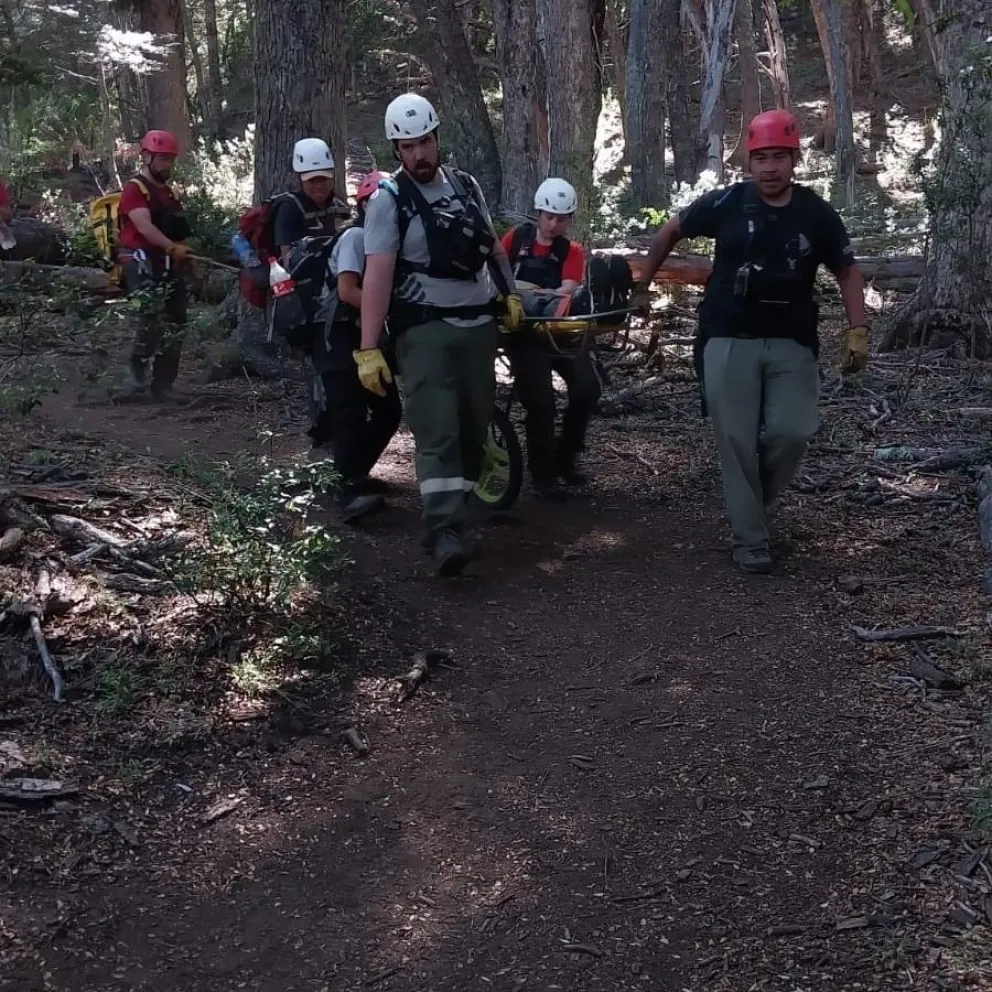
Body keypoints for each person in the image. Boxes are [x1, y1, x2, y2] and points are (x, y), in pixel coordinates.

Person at [633, 109, 869, 574]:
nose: (769, 167)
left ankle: (751, 501)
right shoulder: (727, 204)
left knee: (793, 430)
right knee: (736, 438)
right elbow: (671, 229)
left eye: (779, 156)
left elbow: (846, 270)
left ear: (795, 159)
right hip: (727, 336)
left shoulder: (815, 213)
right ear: (749, 161)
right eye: (761, 157)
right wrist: (644, 283)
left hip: (792, 340)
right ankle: (750, 538)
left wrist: (857, 327)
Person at [357, 92, 523, 576]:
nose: (418, 155)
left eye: (425, 142)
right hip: (425, 329)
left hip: (477, 327)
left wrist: (509, 293)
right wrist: (369, 349)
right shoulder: (389, 202)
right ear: (396, 149)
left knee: (474, 427)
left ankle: (461, 514)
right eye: (407, 147)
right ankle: (444, 530)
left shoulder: (465, 186)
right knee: (438, 430)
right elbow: (378, 276)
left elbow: (493, 247)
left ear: (437, 137)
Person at [502, 178, 601, 500]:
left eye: (561, 219)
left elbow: (567, 291)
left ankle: (566, 458)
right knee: (541, 404)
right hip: (524, 335)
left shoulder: (571, 251)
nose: (554, 224)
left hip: (560, 332)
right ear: (539, 212)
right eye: (549, 217)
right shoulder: (516, 239)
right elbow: (497, 274)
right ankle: (542, 475)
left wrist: (528, 291)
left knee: (587, 388)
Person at [312, 170, 402, 523]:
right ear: (365, 206)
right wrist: (387, 309)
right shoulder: (355, 237)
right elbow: (348, 290)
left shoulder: (391, 243)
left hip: (363, 330)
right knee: (348, 411)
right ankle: (346, 492)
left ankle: (352, 473)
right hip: (334, 333)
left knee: (388, 410)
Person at [117, 129, 192, 399]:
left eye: (170, 160)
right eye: (163, 159)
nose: (168, 165)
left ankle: (163, 384)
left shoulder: (169, 195)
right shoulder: (134, 190)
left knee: (177, 319)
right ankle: (134, 374)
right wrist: (170, 246)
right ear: (147, 157)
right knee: (150, 315)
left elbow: (177, 229)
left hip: (167, 263)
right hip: (139, 261)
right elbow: (144, 227)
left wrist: (185, 254)